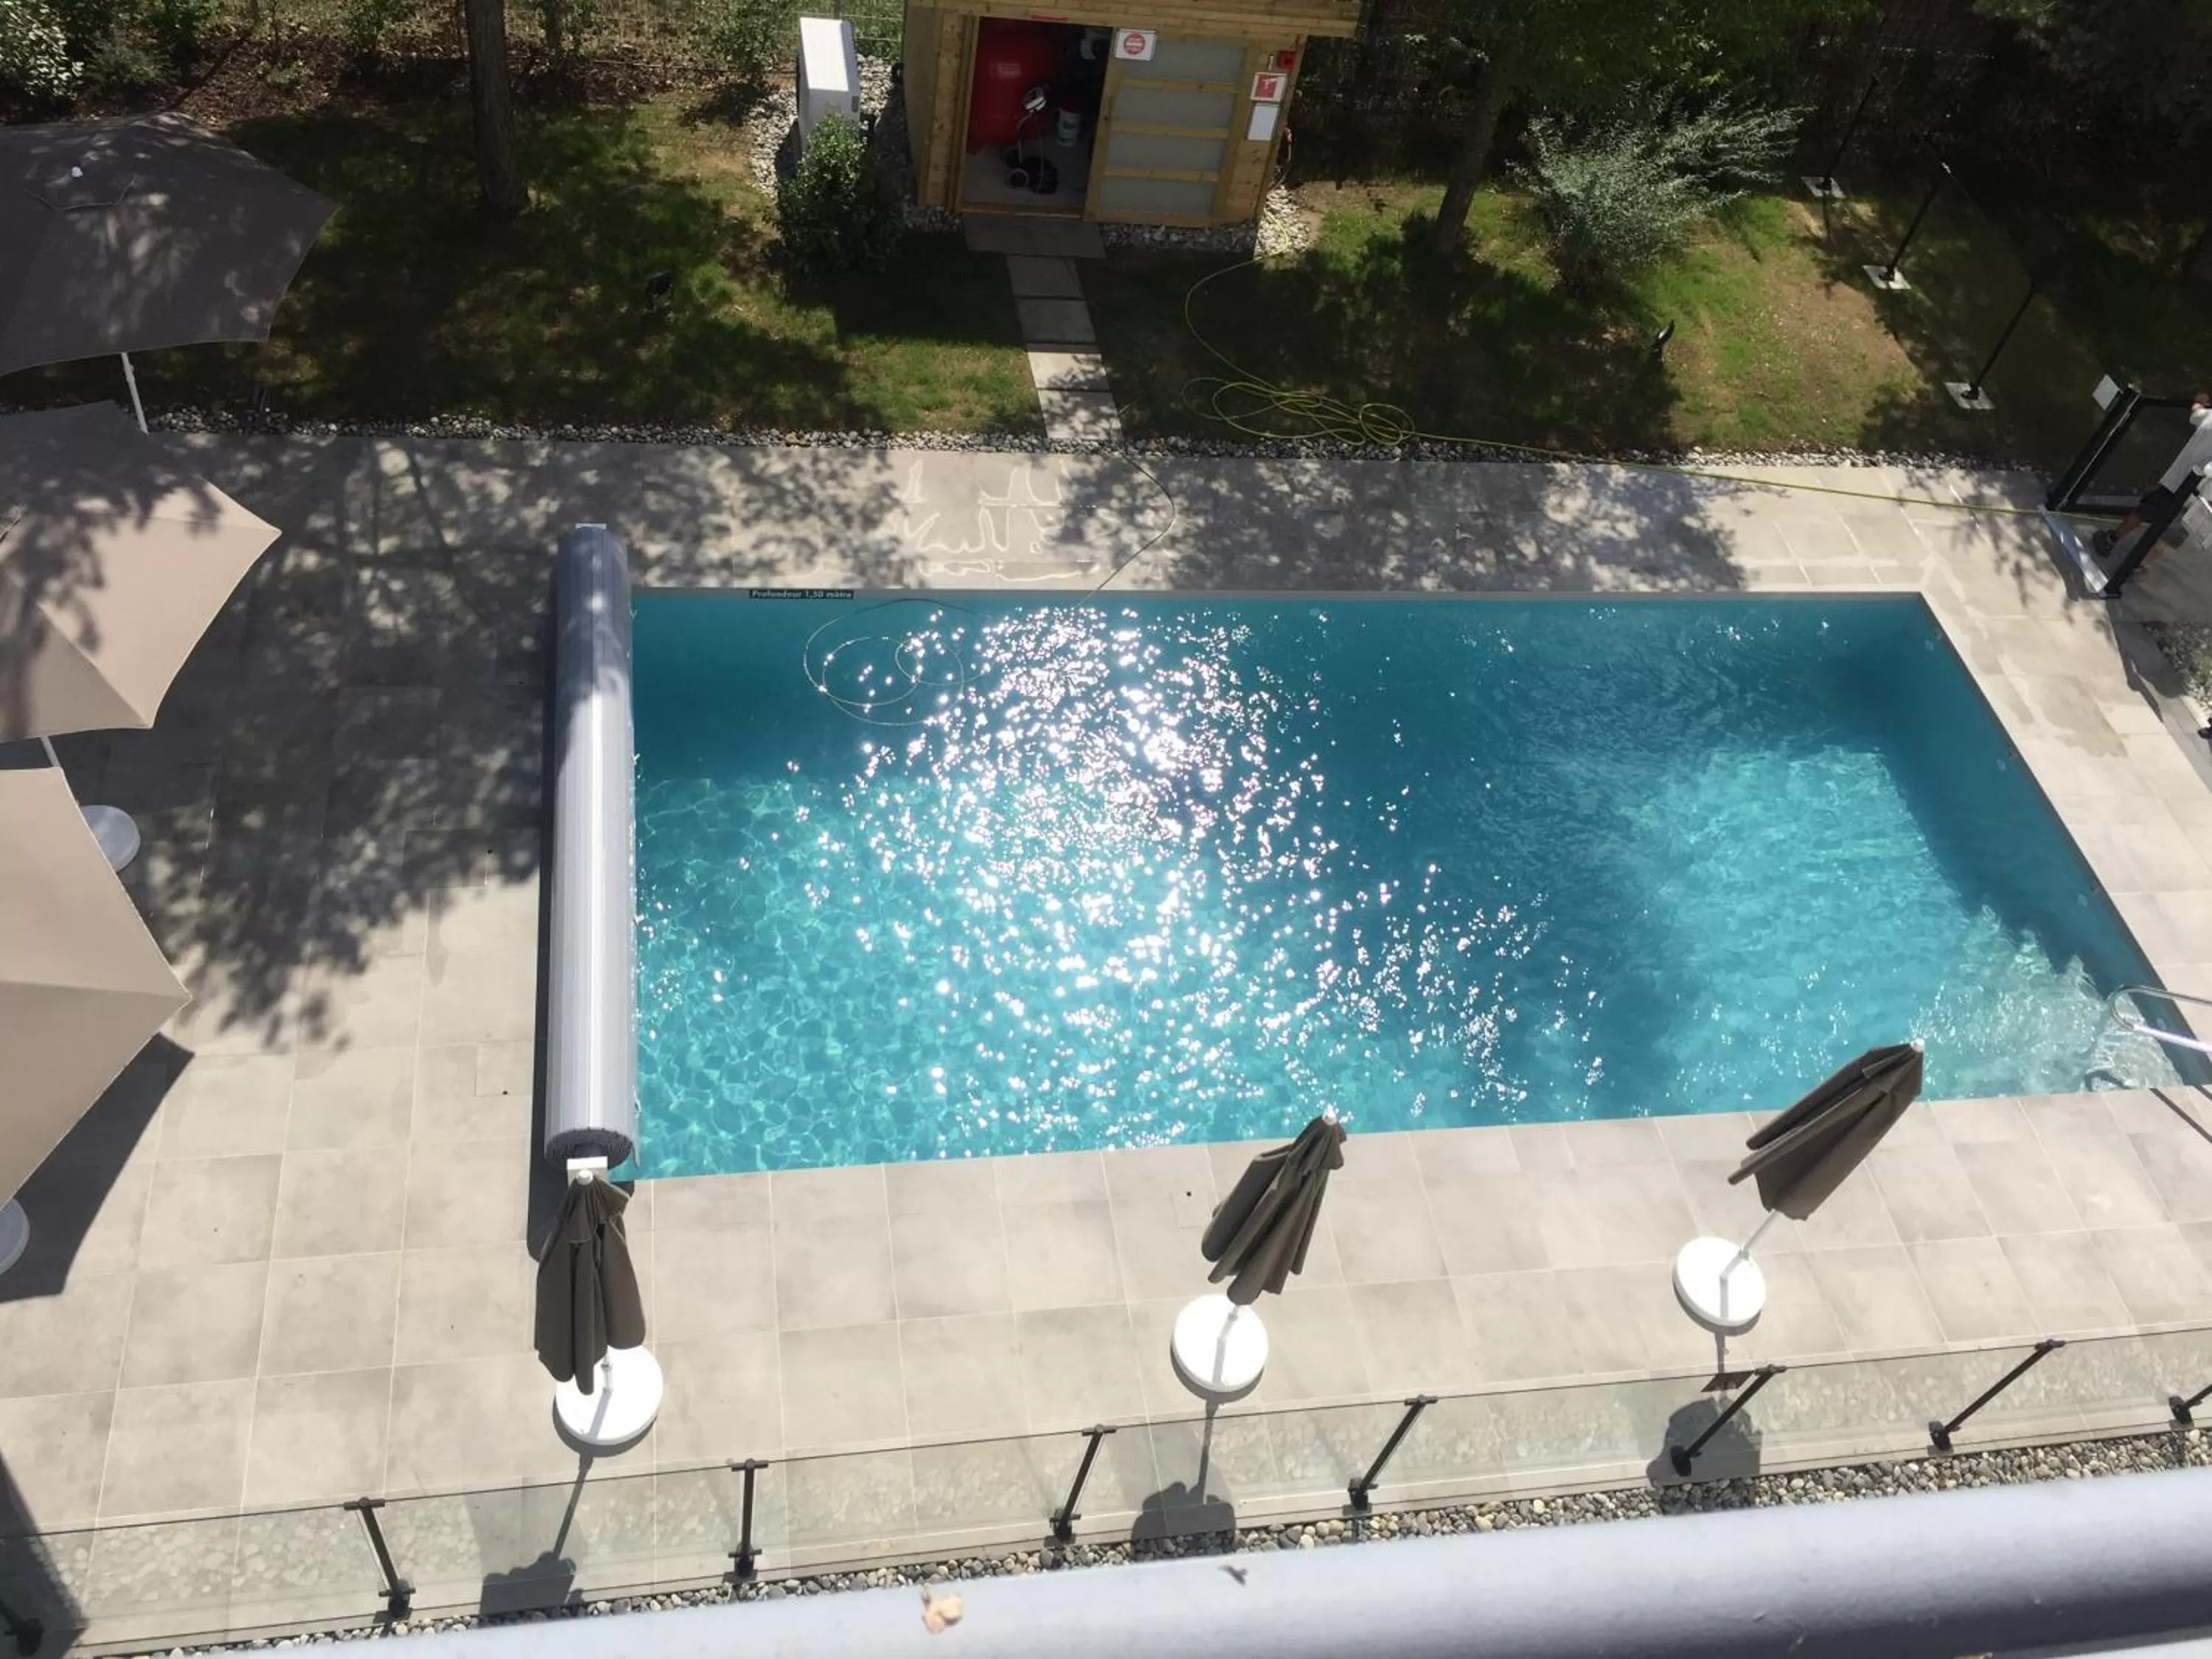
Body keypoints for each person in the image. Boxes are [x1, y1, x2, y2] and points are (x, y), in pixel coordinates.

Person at [2093, 390, 2212, 563]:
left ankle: (2111, 540)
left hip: (2176, 482)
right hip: (2198, 496)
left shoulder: (2209, 417)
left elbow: (2196, 413)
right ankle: (2139, 564)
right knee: (2168, 531)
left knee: (2143, 512)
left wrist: (2200, 402)